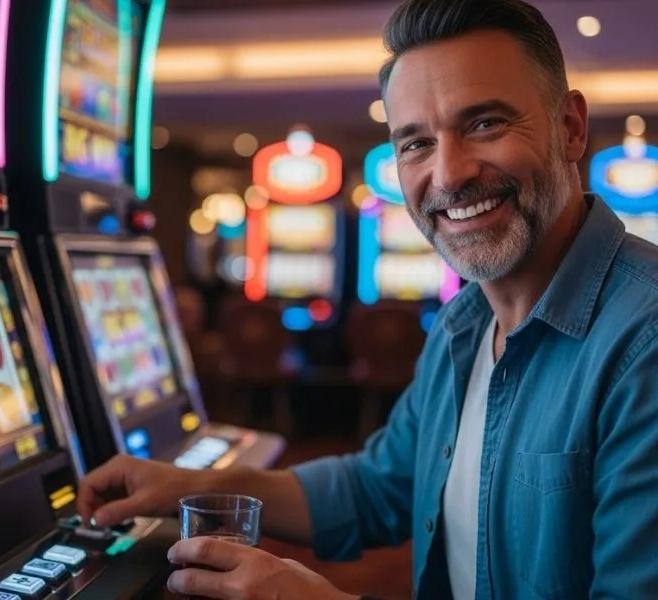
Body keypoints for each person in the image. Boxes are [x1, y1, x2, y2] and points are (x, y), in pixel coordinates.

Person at [78, 0, 658, 598]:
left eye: (485, 123)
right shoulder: (465, 323)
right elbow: (377, 486)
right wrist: (181, 486)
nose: (450, 173)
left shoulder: (646, 341)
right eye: (415, 144)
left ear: (570, 128)